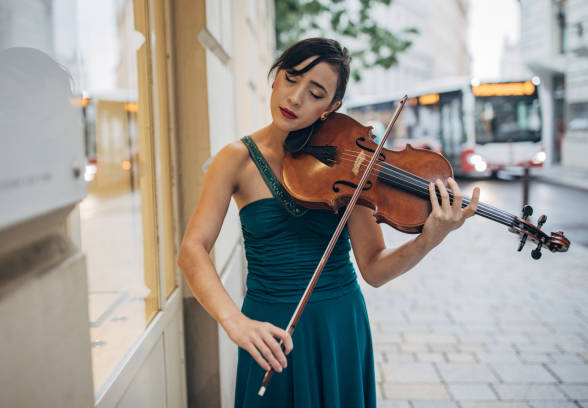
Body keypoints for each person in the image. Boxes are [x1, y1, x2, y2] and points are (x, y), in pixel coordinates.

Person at [178, 38, 480, 407]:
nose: (294, 98)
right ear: (274, 78)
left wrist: (428, 239)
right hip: (266, 328)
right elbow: (192, 250)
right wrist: (234, 322)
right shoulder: (235, 159)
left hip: (338, 326)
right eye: (291, 79)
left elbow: (374, 268)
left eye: (315, 92)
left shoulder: (351, 164)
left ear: (331, 107)